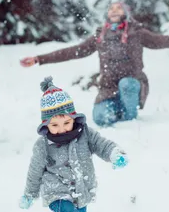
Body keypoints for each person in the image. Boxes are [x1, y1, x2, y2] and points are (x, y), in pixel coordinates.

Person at [20, 2, 169, 127]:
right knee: (100, 119)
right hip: (108, 88)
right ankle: (120, 110)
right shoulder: (101, 35)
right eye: (111, 8)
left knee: (127, 84)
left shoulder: (137, 33)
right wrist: (39, 59)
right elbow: (73, 51)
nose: (114, 10)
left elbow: (164, 41)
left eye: (119, 7)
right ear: (107, 14)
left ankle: (130, 120)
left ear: (125, 13)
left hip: (132, 84)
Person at [19, 76, 128, 212]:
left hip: (81, 189)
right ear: (46, 125)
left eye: (66, 123)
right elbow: (35, 172)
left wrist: (114, 154)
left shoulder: (84, 133)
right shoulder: (43, 145)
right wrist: (29, 194)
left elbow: (102, 145)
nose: (62, 129)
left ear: (73, 118)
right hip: (56, 192)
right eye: (54, 125)